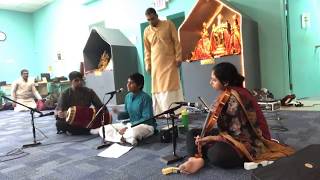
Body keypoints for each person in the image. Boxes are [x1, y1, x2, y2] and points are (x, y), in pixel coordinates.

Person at [178, 62, 295, 174]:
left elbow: (240, 135)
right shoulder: (228, 93)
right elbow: (227, 129)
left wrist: (212, 139)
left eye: (214, 80)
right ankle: (196, 158)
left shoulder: (235, 97)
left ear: (225, 82)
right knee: (192, 133)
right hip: (232, 133)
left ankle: (202, 153)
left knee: (217, 154)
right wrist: (211, 137)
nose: (210, 82)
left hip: (252, 140)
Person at [92, 73, 156, 145]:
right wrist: (119, 113)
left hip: (146, 126)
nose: (128, 85)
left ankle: (123, 138)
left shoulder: (146, 98)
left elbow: (147, 118)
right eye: (128, 82)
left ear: (139, 85)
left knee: (133, 132)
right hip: (130, 124)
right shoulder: (128, 97)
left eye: (131, 83)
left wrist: (128, 127)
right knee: (104, 129)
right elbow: (127, 114)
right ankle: (125, 139)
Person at [143, 7, 184, 115]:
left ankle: (176, 111)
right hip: (156, 65)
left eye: (152, 18)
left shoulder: (168, 24)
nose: (151, 22)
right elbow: (147, 50)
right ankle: (161, 113)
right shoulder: (146, 31)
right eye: (148, 20)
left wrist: (179, 57)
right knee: (158, 88)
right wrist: (147, 63)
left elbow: (176, 42)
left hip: (170, 62)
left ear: (156, 16)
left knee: (170, 86)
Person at [55, 71, 109, 135]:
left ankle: (76, 131)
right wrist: (59, 113)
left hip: (86, 118)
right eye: (76, 80)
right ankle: (89, 131)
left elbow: (100, 106)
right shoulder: (65, 94)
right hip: (72, 121)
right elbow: (58, 111)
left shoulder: (89, 92)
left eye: (81, 80)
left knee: (103, 118)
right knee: (59, 123)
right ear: (70, 82)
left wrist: (104, 113)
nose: (80, 82)